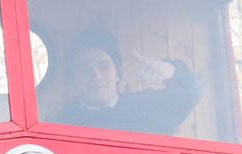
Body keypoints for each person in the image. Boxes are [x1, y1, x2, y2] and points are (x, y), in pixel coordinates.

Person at [56, 28, 199, 136]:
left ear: (118, 74)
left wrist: (173, 72)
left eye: (104, 66)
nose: (96, 75)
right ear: (73, 81)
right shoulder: (62, 122)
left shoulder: (144, 106)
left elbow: (188, 98)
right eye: (84, 69)